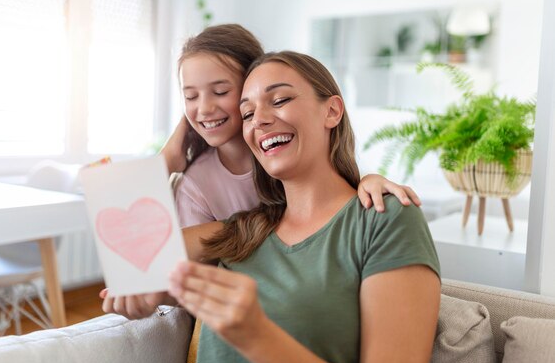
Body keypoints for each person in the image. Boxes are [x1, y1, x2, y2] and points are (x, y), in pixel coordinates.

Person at [105, 51, 441, 363]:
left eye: (279, 100)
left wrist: (256, 335)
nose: (260, 120)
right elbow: (123, 250)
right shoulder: (242, 230)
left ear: (332, 111)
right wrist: (171, 155)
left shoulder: (384, 218)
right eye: (247, 114)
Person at [161, 24, 422, 229]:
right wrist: (167, 160)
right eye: (190, 97)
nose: (204, 108)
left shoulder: (291, 156)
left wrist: (368, 182)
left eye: (220, 91)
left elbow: (332, 200)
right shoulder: (196, 185)